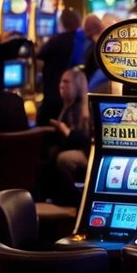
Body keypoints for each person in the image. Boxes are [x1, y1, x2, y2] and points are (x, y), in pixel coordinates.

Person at [35, 8, 90, 124]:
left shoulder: (56, 40)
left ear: (62, 22)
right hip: (77, 95)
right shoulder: (85, 40)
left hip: (54, 91)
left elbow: (39, 59)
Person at [49, 69, 92, 205]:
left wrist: (66, 131)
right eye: (61, 81)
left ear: (76, 85)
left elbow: (86, 139)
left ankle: (74, 200)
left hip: (87, 152)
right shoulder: (66, 106)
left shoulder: (84, 109)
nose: (61, 85)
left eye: (66, 82)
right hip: (75, 148)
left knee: (62, 158)